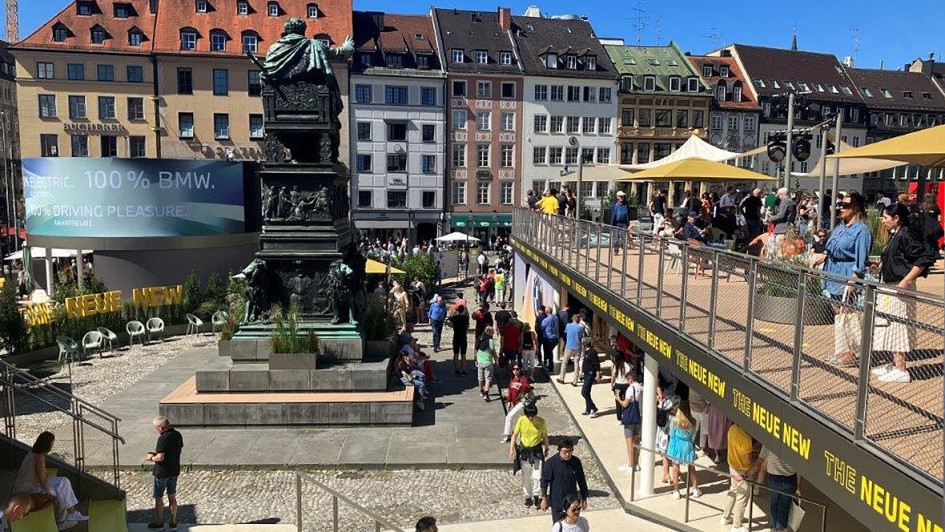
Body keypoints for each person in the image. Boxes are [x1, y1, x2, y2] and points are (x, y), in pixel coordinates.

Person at [869, 203, 935, 383]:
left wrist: (906, 280)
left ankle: (901, 368)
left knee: (898, 324)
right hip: (890, 285)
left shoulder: (906, 234)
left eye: (885, 218)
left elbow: (923, 259)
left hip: (899, 287)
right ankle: (895, 363)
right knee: (889, 323)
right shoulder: (896, 234)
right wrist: (881, 266)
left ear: (896, 218)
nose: (883, 221)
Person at [809, 192, 871, 367]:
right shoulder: (840, 226)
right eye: (840, 205)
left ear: (856, 208)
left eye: (846, 205)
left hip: (846, 272)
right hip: (832, 271)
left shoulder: (862, 230)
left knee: (848, 313)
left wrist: (854, 280)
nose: (841, 208)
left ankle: (851, 352)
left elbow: (861, 259)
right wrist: (816, 261)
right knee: (839, 313)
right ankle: (844, 351)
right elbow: (830, 249)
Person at [12, 431, 87, 530]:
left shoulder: (34, 452)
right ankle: (62, 521)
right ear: (47, 444)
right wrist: (48, 494)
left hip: (32, 486)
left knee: (64, 481)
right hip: (27, 491)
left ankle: (72, 512)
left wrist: (47, 482)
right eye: (52, 443)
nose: (52, 445)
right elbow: (42, 479)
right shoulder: (39, 456)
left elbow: (43, 474)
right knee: (58, 492)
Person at [747, 446, 797, 532]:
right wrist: (799, 485)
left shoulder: (769, 443)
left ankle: (774, 527)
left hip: (774, 478)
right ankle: (780, 529)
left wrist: (746, 474)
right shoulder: (794, 443)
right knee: (785, 504)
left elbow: (758, 463)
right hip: (790, 478)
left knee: (774, 502)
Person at [147, 416, 184, 531]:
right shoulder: (177, 434)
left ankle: (159, 523)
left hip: (162, 473)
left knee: (159, 498)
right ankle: (173, 523)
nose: (156, 430)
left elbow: (160, 457)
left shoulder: (162, 438)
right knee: (172, 496)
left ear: (160, 427)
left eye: (156, 428)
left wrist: (151, 457)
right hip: (174, 470)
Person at [510, 403, 549, 509]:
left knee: (538, 475)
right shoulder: (521, 420)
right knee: (526, 475)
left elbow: (544, 436)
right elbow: (515, 435)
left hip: (536, 451)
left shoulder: (541, 422)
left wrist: (546, 448)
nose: (531, 418)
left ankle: (536, 495)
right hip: (525, 451)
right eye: (529, 416)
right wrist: (511, 449)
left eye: (533, 415)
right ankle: (527, 496)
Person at [540, 439, 589, 523]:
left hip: (572, 503)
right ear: (559, 450)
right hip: (557, 502)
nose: (568, 454)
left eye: (570, 451)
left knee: (573, 525)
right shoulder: (551, 463)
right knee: (558, 526)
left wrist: (584, 498)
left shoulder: (576, 462)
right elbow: (544, 482)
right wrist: (544, 499)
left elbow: (581, 480)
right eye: (565, 451)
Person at [720, 424, 755, 531]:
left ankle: (725, 517)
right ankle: (737, 525)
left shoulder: (732, 428)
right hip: (743, 471)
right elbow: (748, 460)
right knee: (742, 497)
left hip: (732, 466)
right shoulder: (745, 438)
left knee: (733, 491)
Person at [666, 402, 701, 499]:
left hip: (677, 444)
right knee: (691, 467)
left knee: (675, 468)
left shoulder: (674, 420)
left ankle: (676, 491)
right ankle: (695, 489)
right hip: (688, 444)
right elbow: (693, 436)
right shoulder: (693, 421)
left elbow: (671, 433)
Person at [614, 369, 643, 472]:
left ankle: (631, 464)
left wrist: (618, 399)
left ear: (630, 379)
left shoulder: (631, 389)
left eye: (627, 380)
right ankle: (636, 463)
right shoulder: (642, 388)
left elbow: (625, 404)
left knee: (629, 441)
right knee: (637, 441)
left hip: (630, 417)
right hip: (640, 416)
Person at [502, 364, 534, 443]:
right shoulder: (512, 379)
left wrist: (522, 385)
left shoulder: (523, 379)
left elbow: (527, 387)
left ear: (520, 370)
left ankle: (507, 435)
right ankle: (530, 434)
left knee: (509, 417)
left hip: (521, 402)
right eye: (513, 369)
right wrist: (509, 401)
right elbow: (510, 391)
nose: (515, 371)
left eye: (517, 369)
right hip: (515, 402)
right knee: (525, 419)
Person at [558, 314, 586, 385]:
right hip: (577, 347)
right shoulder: (581, 328)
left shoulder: (568, 326)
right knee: (576, 364)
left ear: (573, 319)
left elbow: (566, 333)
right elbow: (581, 337)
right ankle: (575, 381)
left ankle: (562, 378)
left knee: (564, 363)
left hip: (569, 346)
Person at [578, 338, 601, 417]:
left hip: (590, 374)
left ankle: (593, 408)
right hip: (586, 373)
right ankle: (588, 409)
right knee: (587, 392)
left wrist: (598, 375)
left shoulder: (592, 352)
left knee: (584, 392)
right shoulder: (586, 352)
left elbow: (596, 364)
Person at [476, 326, 497, 401]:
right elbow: (493, 351)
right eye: (492, 333)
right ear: (490, 333)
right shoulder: (490, 341)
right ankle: (486, 393)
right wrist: (496, 359)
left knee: (480, 378)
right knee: (488, 378)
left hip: (480, 361)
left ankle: (481, 391)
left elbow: (476, 348)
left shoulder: (480, 338)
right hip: (488, 361)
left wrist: (476, 359)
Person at [540, 307, 560, 373]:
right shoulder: (556, 318)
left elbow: (541, 328)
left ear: (546, 311)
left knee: (548, 352)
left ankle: (548, 365)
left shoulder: (545, 320)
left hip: (548, 338)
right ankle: (548, 365)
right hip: (555, 338)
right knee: (550, 351)